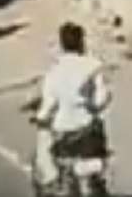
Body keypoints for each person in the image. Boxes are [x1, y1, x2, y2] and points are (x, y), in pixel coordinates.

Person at [27, 21, 111, 187]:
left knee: (45, 148)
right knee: (98, 145)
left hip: (63, 130)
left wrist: (40, 118)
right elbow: (102, 98)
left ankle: (51, 179)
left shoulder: (54, 72)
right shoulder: (93, 66)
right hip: (88, 129)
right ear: (82, 42)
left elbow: (48, 105)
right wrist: (92, 107)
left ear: (62, 44)